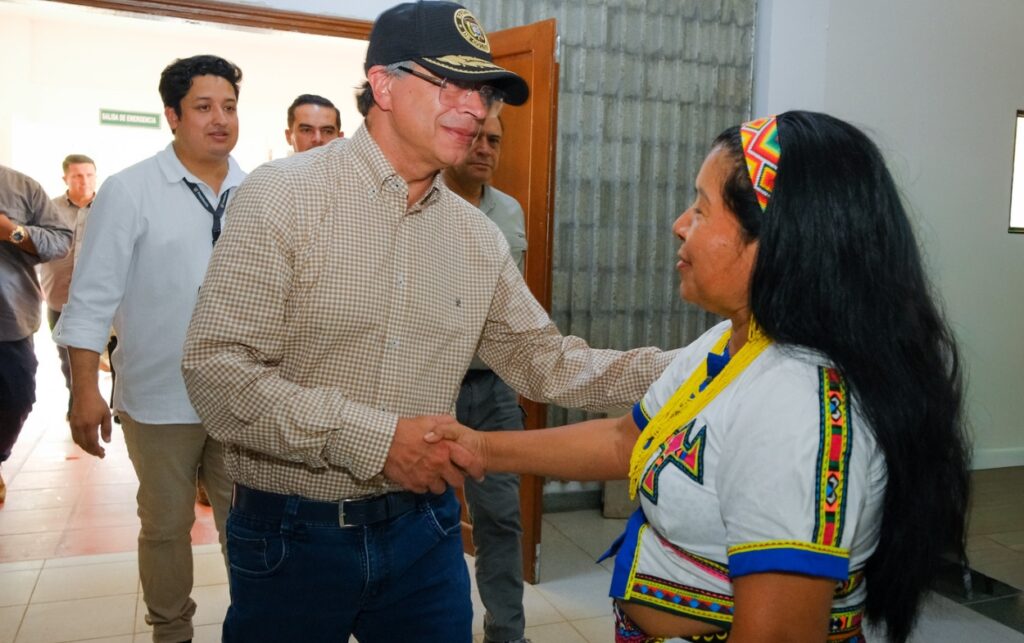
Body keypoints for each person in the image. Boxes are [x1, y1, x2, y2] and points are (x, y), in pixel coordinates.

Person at [181, 3, 673, 642]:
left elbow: (548, 363)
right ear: (382, 85)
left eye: (485, 93)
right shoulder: (283, 196)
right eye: (452, 84)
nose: (476, 110)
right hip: (293, 535)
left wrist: (707, 364)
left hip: (424, 531)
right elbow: (217, 372)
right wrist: (377, 439)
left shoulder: (476, 236)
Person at [428, 111, 971, 643]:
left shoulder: (794, 404)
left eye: (702, 209)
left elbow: (777, 633)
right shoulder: (730, 343)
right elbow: (625, 440)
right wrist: (480, 447)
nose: (680, 224)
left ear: (774, 240)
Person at [54, 54, 245, 643]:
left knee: (250, 527)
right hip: (161, 397)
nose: (220, 119)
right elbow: (91, 297)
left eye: (230, 106)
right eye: (204, 107)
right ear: (172, 115)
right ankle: (171, 630)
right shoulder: (130, 190)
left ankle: (256, 623)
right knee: (165, 525)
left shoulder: (259, 191)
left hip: (245, 397)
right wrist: (84, 392)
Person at [443, 114, 531, 643]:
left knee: (500, 517)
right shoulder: (424, 205)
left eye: (493, 140)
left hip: (494, 388)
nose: (483, 148)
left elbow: (517, 307)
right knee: (429, 520)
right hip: (435, 387)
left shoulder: (509, 212)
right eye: (473, 138)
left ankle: (506, 633)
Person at [0, 165, 72, 502]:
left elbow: (61, 242)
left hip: (9, 320)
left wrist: (13, 232)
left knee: (17, 397)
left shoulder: (20, 186)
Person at [39, 154, 97, 418]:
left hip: (99, 299)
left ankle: (105, 406)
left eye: (89, 175)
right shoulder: (49, 210)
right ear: (65, 178)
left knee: (103, 354)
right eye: (77, 176)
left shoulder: (108, 208)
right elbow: (36, 247)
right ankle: (77, 403)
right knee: (66, 357)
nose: (84, 181)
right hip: (59, 298)